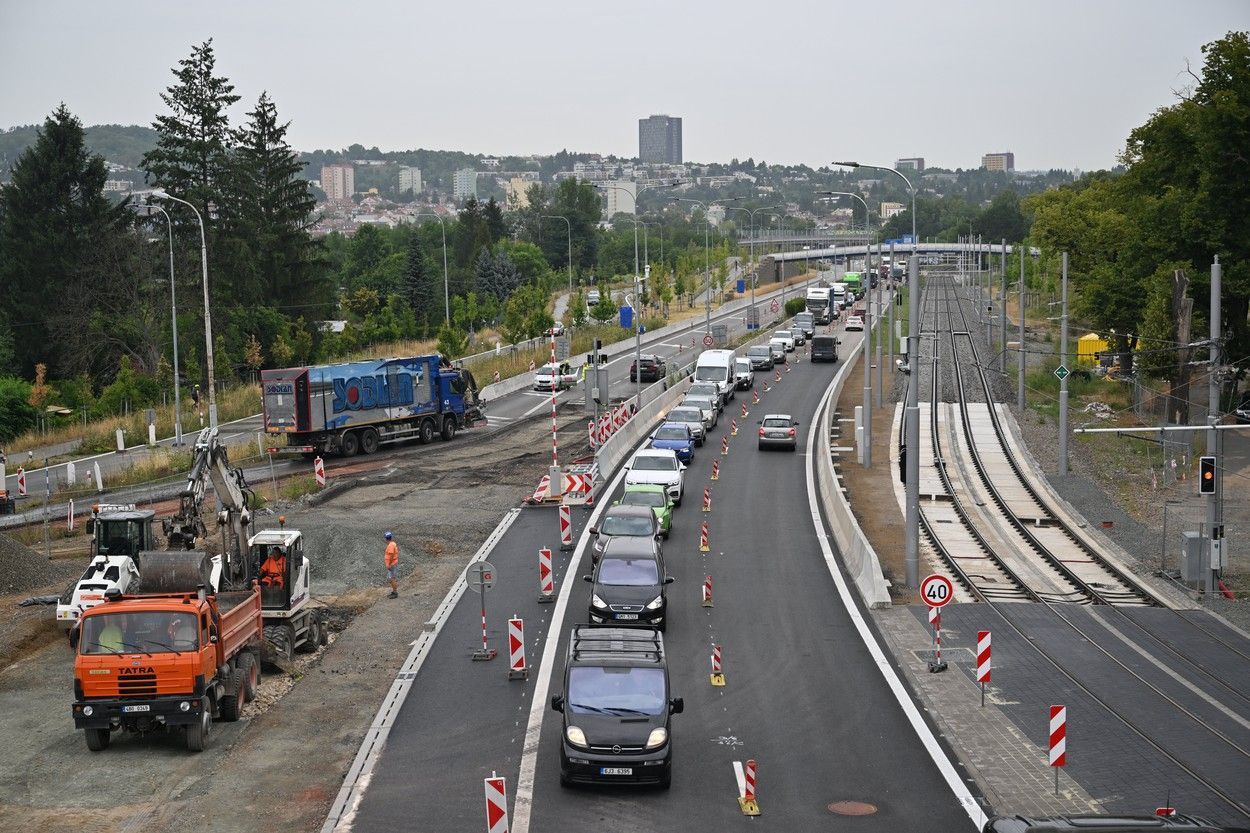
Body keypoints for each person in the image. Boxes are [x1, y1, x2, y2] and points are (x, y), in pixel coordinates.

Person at [384, 532, 399, 599]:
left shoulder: (390, 546)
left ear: (385, 538)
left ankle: (395, 593)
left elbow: (391, 555)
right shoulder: (392, 544)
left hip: (392, 565)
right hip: (393, 564)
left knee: (392, 579)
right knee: (391, 578)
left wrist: (389, 564)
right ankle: (394, 591)